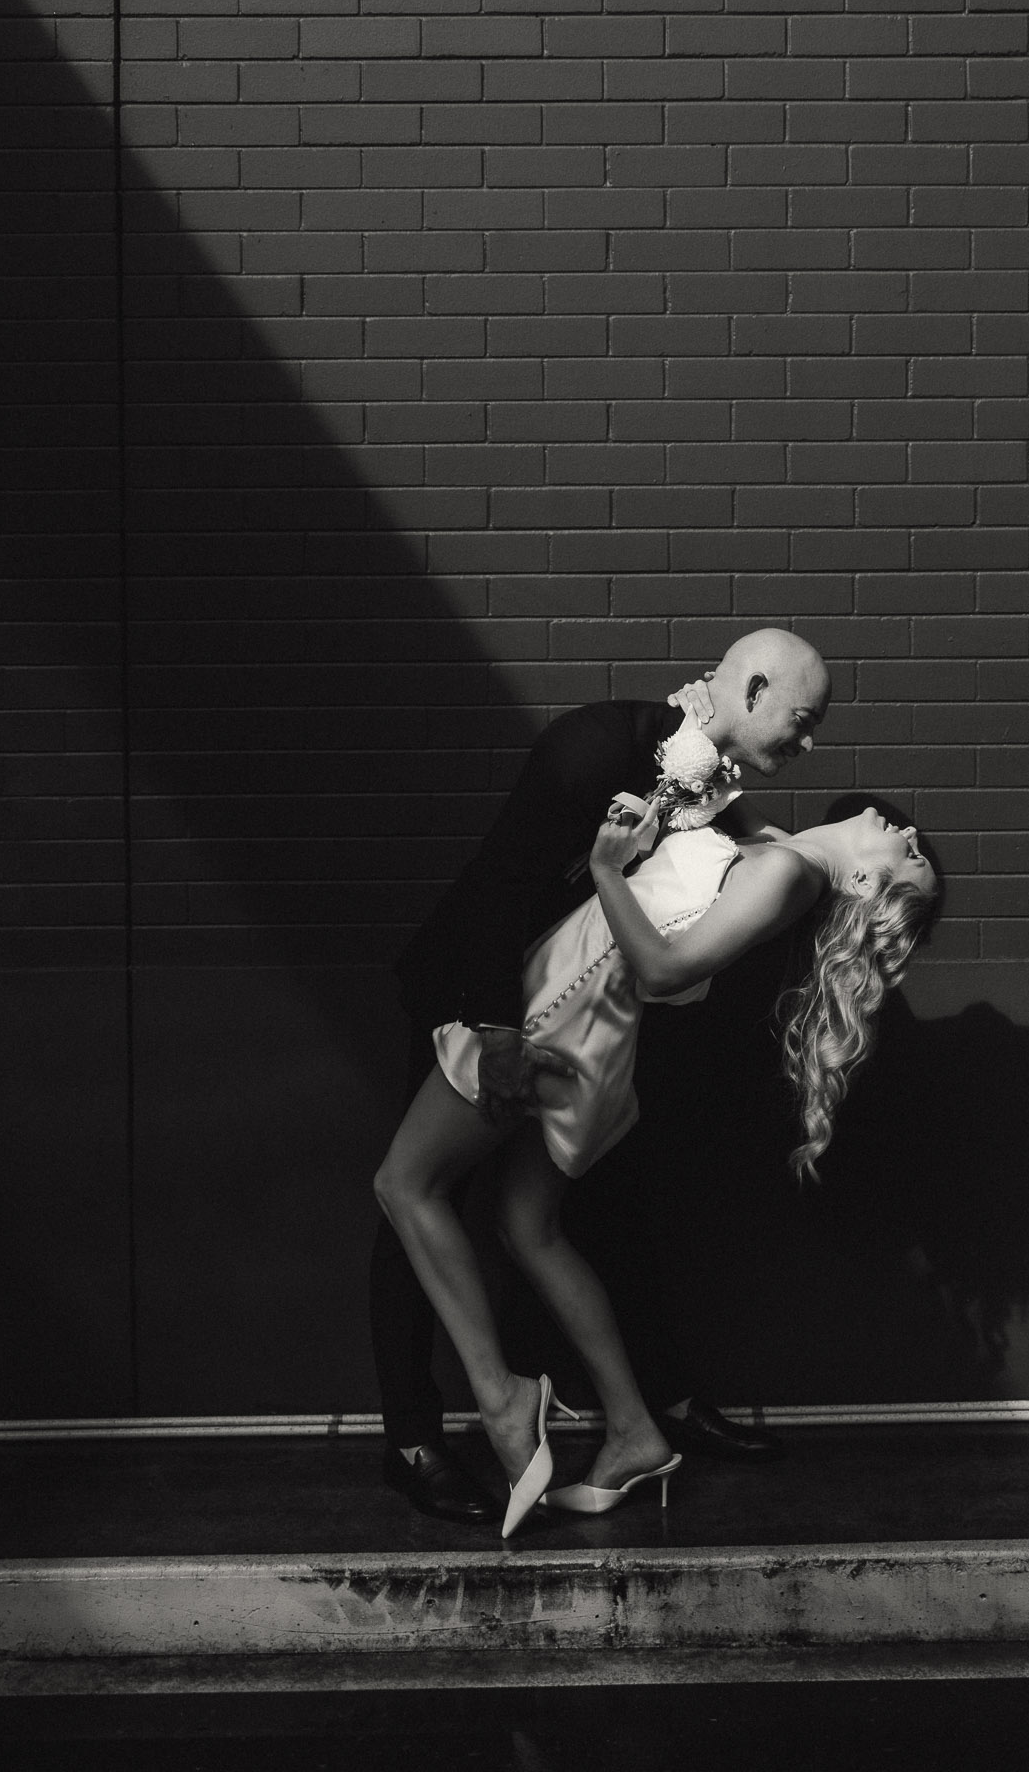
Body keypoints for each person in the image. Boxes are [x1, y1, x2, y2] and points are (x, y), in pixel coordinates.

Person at [374, 790, 941, 1538]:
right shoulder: (786, 853)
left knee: (405, 1185)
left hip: (562, 1009)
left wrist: (608, 868)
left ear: (864, 882)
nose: (907, 830)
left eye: (910, 854)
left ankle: (502, 1397)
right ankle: (634, 1430)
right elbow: (723, 804)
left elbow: (665, 971)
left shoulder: (788, 874)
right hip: (596, 1036)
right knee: (530, 1228)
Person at [371, 628, 833, 1523]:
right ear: (753, 690)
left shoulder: (714, 789)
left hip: (570, 1016)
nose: (808, 742)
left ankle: (652, 1410)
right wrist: (496, 1029)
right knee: (418, 1207)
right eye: (802, 720)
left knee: (604, 1202)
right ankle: (414, 1441)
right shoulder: (595, 746)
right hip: (472, 993)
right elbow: (503, 880)